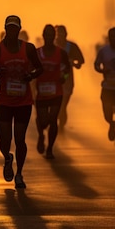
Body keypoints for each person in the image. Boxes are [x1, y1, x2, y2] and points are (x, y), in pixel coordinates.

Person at [0, 15, 43, 189]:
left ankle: (19, 174)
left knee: (20, 139)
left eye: (15, 28)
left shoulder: (29, 48)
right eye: (9, 28)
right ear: (5, 29)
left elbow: (40, 68)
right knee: (4, 139)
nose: (12, 31)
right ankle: (8, 158)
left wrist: (30, 75)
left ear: (19, 30)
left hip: (23, 101)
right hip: (4, 101)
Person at [34, 24, 71, 160]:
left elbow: (67, 70)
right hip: (41, 92)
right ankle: (41, 135)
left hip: (56, 92)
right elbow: (31, 68)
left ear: (54, 37)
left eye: (51, 35)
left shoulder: (61, 53)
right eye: (47, 35)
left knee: (53, 119)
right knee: (43, 121)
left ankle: (50, 148)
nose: (49, 37)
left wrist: (64, 78)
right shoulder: (37, 53)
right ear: (43, 36)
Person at [54, 25, 85, 130]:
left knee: (63, 105)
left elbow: (81, 60)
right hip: (53, 79)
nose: (59, 36)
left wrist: (74, 63)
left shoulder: (71, 47)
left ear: (66, 34)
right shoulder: (51, 46)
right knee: (56, 103)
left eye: (62, 34)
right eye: (58, 34)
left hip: (67, 78)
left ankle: (61, 125)